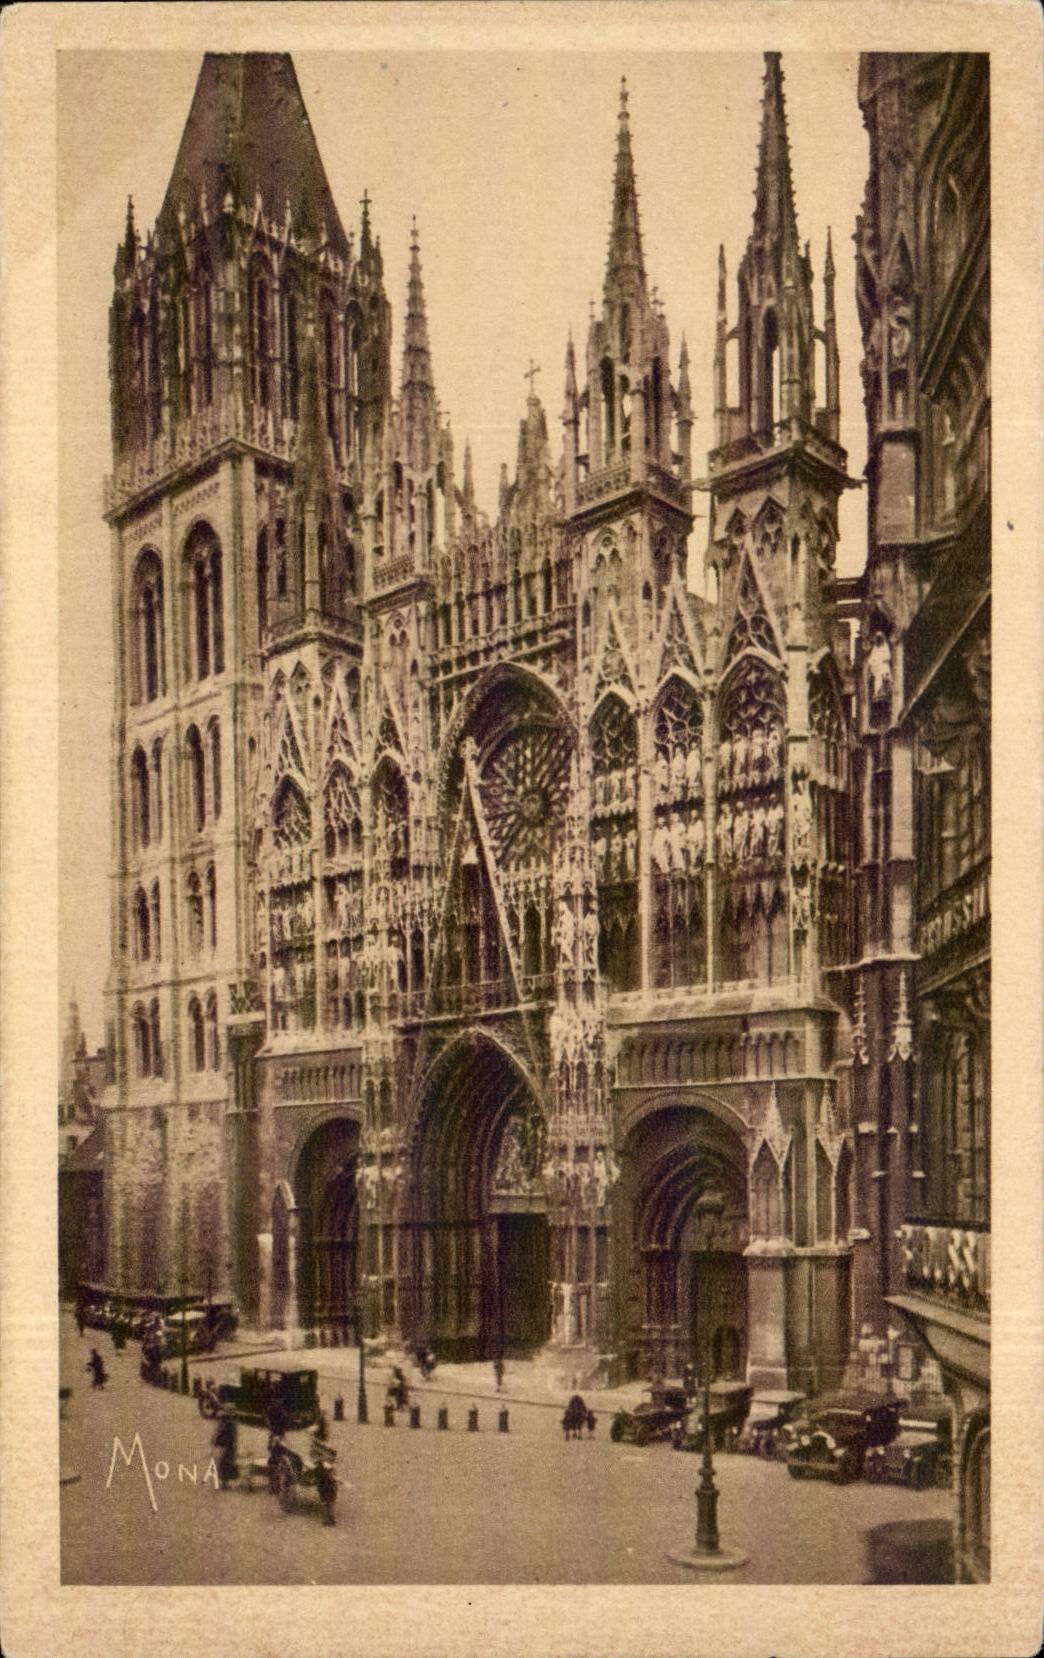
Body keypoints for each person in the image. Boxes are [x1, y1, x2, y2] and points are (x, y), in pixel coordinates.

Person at [212, 1407, 239, 1490]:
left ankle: (222, 1482)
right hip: (226, 1446)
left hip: (224, 1446)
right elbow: (232, 1436)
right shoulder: (229, 1424)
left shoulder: (223, 1423)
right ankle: (223, 1483)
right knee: (225, 1464)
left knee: (223, 1464)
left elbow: (217, 1435)